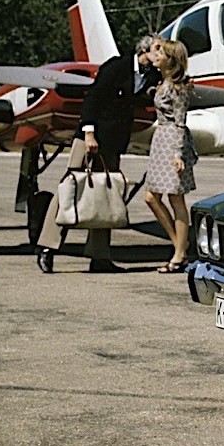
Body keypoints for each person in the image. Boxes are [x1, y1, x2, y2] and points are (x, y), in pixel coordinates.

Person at [36, 34, 160, 273]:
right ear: (144, 51)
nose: (160, 53)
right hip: (91, 137)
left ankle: (100, 256)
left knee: (106, 196)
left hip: (114, 142)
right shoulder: (116, 67)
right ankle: (48, 247)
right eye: (157, 49)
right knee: (70, 188)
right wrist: (89, 133)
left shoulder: (152, 75)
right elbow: (92, 99)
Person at [144, 38, 198, 273]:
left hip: (172, 142)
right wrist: (157, 47)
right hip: (160, 142)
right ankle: (180, 247)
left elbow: (180, 122)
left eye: (162, 53)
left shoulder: (177, 90)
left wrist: (178, 154)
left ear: (171, 60)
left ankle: (179, 254)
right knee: (151, 197)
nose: (156, 55)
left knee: (176, 198)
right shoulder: (163, 82)